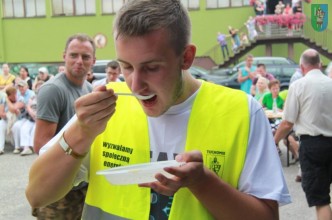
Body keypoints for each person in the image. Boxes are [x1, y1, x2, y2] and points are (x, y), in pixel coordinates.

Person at [26, 1, 291, 219]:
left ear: (186, 58)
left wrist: (204, 183)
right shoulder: (107, 104)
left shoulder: (242, 111)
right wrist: (81, 135)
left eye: (152, 67)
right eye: (126, 67)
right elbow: (36, 194)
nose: (136, 84)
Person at [32, 33, 94, 219]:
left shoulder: (88, 89)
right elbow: (41, 146)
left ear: (93, 60)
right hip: (58, 190)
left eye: (85, 56)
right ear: (64, 56)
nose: (79, 61)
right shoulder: (53, 90)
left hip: (81, 185)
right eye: (73, 55)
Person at [274, 49, 332, 220]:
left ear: (301, 67)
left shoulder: (298, 86)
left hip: (313, 147)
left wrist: (274, 140)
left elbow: (287, 123)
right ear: (320, 65)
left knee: (321, 200)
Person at [11, 80, 36, 154]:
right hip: (22, 116)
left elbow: (20, 106)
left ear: (27, 87)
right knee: (16, 126)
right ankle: (18, 147)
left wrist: (17, 107)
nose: (20, 88)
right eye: (19, 86)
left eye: (22, 86)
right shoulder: (18, 93)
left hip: (30, 116)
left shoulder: (31, 94)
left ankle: (27, 147)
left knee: (24, 127)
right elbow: (15, 107)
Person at [0, 86, 25, 155]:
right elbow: (1, 114)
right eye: (12, 94)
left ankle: (17, 147)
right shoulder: (3, 99)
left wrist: (8, 101)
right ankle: (0, 148)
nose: (14, 95)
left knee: (16, 126)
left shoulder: (21, 98)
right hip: (7, 120)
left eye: (15, 93)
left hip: (19, 120)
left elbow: (13, 108)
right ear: (8, 96)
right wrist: (9, 114)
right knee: (1, 124)